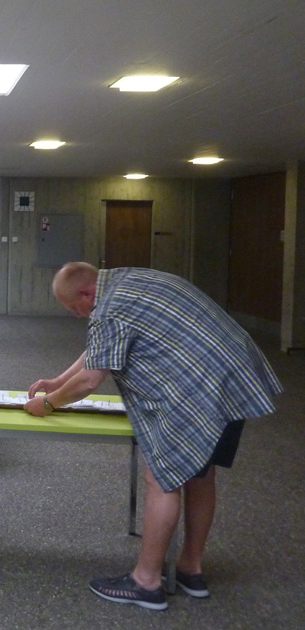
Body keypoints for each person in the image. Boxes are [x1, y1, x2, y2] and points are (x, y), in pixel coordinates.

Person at [26, 262, 282, 611]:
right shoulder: (126, 279)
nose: (77, 316)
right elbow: (101, 348)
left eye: (74, 308)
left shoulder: (108, 309)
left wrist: (49, 404)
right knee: (201, 474)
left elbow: (90, 379)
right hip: (234, 373)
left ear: (86, 293)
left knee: (162, 477)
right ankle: (190, 568)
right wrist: (57, 382)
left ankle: (145, 582)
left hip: (199, 385)